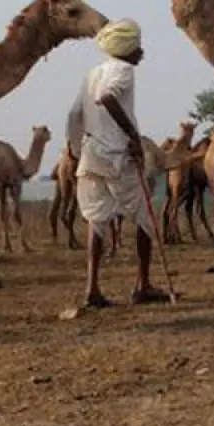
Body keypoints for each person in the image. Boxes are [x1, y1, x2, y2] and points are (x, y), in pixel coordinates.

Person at [64, 18, 168, 308]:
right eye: (137, 46)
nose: (141, 52)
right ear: (128, 48)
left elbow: (74, 115)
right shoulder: (123, 70)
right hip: (117, 156)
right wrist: (133, 136)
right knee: (145, 217)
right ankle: (142, 285)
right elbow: (106, 97)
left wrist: (74, 149)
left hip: (91, 155)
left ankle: (92, 289)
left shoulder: (92, 73)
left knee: (96, 221)